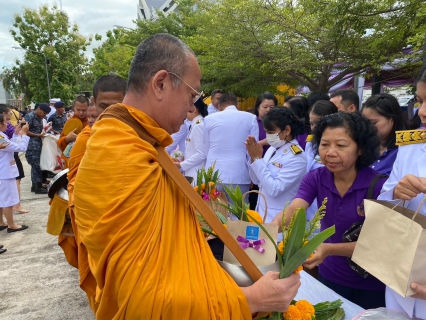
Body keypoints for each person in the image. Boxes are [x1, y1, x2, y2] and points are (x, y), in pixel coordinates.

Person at [74, 34, 300, 319]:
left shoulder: (139, 143)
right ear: (160, 83)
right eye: (192, 95)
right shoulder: (120, 154)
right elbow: (146, 302)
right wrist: (250, 299)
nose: (192, 107)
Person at [272, 112, 387, 309]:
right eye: (325, 145)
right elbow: (294, 210)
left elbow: (379, 244)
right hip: (330, 276)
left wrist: (329, 249)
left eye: (341, 145)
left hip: (372, 284)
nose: (330, 152)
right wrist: (267, 231)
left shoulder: (379, 185)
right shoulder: (316, 178)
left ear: (360, 148)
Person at [56, 74, 127, 313]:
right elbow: (74, 182)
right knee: (100, 282)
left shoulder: (132, 135)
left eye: (117, 106)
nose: (110, 112)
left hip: (124, 219)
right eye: (105, 106)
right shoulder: (86, 138)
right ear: (94, 103)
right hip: (93, 221)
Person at [378, 70, 426, 319]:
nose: (422, 112)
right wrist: (397, 192)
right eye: (420, 100)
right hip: (399, 278)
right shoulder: (412, 146)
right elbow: (384, 202)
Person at [246, 107, 307, 223]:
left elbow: (275, 189)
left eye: (271, 132)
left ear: (287, 130)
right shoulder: (273, 149)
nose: (268, 136)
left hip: (279, 220)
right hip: (262, 213)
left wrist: (258, 159)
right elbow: (257, 180)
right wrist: (254, 158)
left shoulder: (297, 157)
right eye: (266, 132)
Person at [203, 93, 259, 198]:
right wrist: (253, 175)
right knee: (239, 212)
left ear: (219, 107)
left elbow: (206, 148)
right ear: (237, 105)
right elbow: (252, 150)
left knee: (214, 211)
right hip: (239, 173)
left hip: (214, 174)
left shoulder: (209, 119)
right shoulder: (250, 118)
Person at [362, 93, 407, 176]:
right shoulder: (362, 147)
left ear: (392, 120)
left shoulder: (406, 151)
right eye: (364, 122)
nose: (367, 127)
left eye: (373, 123)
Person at [0, 114, 30, 232]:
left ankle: (2, 222)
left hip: (4, 172)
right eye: (5, 122)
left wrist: (16, 134)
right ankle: (11, 225)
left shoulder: (2, 136)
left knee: (2, 199)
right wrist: (24, 135)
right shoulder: (1, 138)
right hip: (5, 173)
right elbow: (21, 148)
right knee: (8, 200)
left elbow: (11, 146)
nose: (7, 124)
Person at [249, 92, 278, 209]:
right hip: (255, 165)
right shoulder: (253, 123)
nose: (268, 110)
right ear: (258, 107)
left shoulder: (278, 125)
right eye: (265, 107)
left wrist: (263, 142)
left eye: (272, 107)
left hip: (273, 168)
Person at [174, 97, 208, 182]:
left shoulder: (198, 125)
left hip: (196, 173)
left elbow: (201, 154)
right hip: (192, 170)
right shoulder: (195, 124)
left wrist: (181, 165)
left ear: (194, 109)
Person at [24, 103, 50, 194]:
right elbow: (25, 131)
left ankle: (34, 186)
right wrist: (37, 135)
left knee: (36, 167)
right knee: (36, 166)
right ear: (39, 109)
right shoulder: (30, 116)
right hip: (32, 146)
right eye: (44, 113)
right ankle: (37, 187)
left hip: (37, 145)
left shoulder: (40, 118)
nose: (45, 115)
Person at [306, 100, 338, 172]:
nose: (313, 127)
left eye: (317, 123)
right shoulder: (310, 144)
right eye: (311, 123)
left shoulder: (338, 145)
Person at [57, 95, 89, 167]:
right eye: (78, 110)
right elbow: (59, 143)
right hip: (71, 160)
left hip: (87, 159)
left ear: (88, 108)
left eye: (84, 110)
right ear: (74, 108)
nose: (81, 113)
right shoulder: (70, 123)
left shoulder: (91, 122)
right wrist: (67, 138)